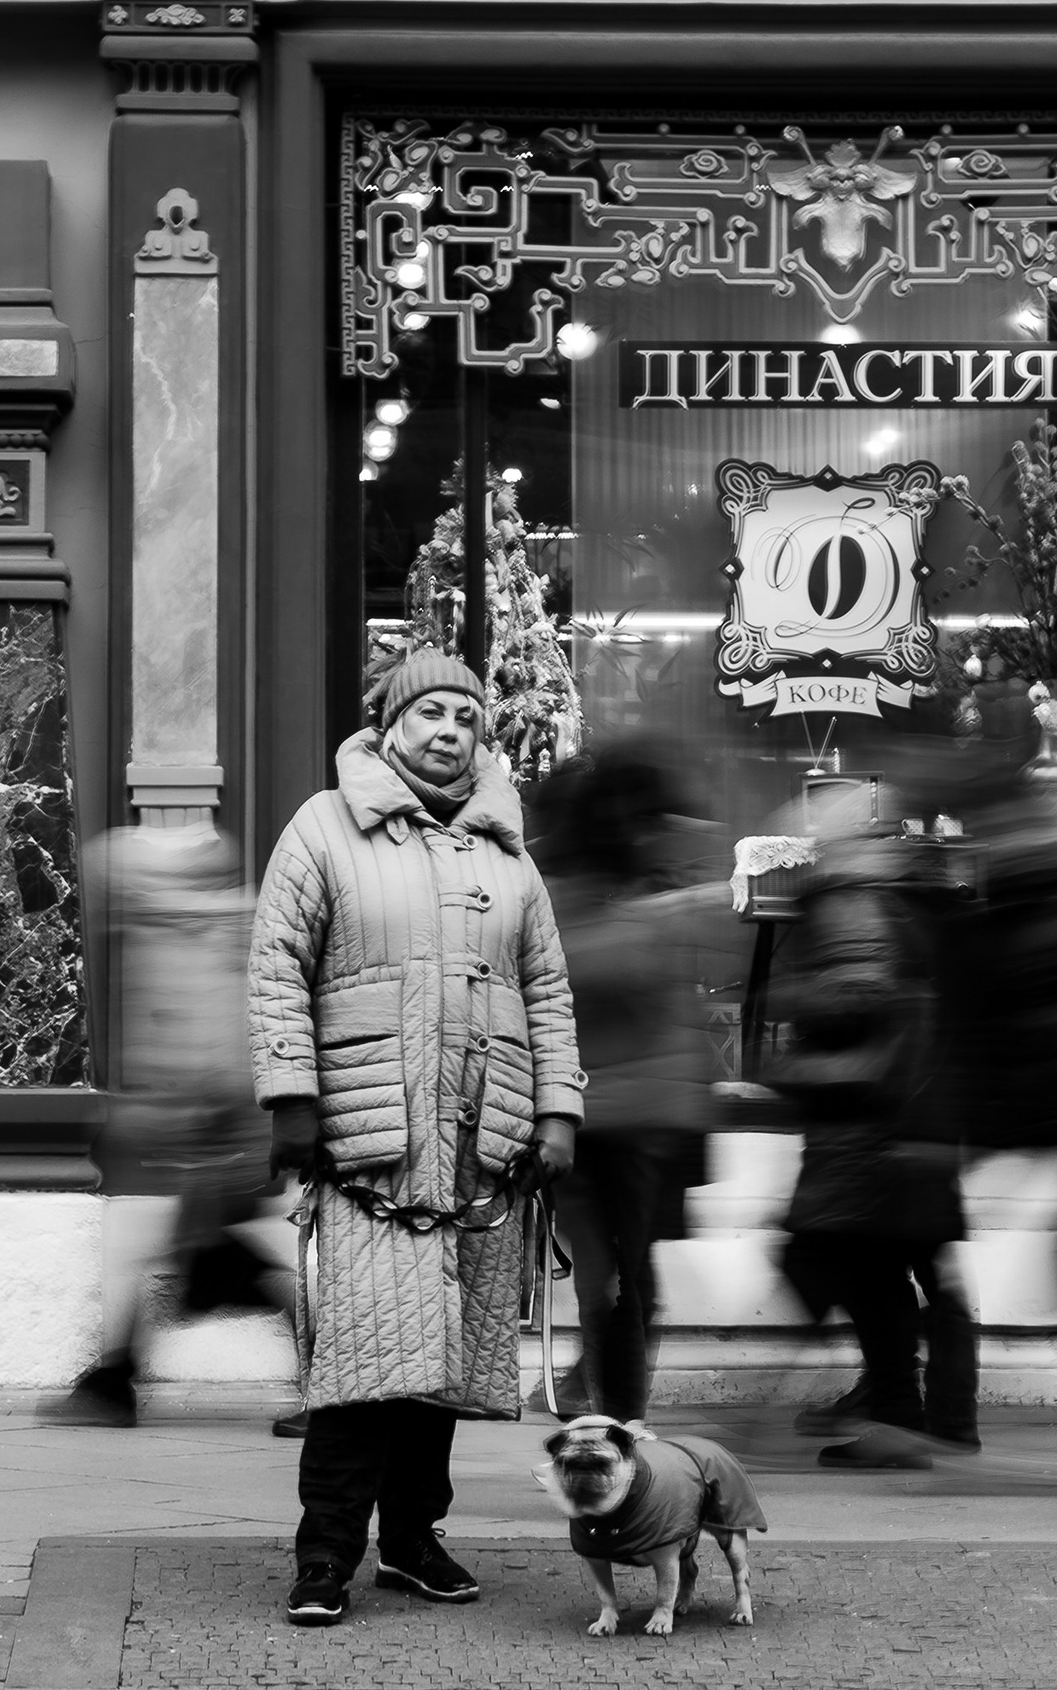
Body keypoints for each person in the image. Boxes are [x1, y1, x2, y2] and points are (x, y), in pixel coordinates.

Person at [250, 652, 582, 1627]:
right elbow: (277, 961)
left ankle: (412, 1539)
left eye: (465, 716)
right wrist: (291, 1097)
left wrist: (557, 1108)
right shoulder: (323, 825)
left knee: (435, 1364)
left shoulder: (506, 854)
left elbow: (547, 990)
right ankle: (325, 1554)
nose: (448, 729)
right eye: (429, 711)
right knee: (358, 1365)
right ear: (389, 725)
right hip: (370, 1144)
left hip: (482, 1146)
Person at [40, 825, 289, 1429]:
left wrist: (184, 1123)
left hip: (219, 1133)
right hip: (216, 1131)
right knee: (198, 1261)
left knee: (208, 1262)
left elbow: (216, 1040)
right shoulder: (189, 925)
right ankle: (113, 1379)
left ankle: (114, 1381)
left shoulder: (195, 931)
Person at [528, 740, 741, 1424]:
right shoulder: (636, 891)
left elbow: (601, 981)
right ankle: (613, 1406)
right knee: (616, 1276)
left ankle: (614, 1410)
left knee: (614, 1277)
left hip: (622, 1112)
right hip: (613, 1110)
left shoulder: (595, 891)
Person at [765, 825, 972, 1467]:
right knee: (911, 1275)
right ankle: (929, 1414)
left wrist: (791, 1010)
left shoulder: (856, 906)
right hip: (913, 1123)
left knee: (858, 1272)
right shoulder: (916, 908)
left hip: (874, 1126)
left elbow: (856, 1000)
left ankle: (903, 1415)